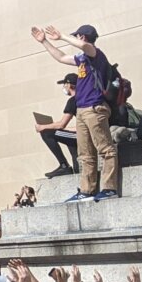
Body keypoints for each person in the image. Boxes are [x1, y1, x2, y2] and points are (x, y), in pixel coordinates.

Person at [29, 24, 120, 201]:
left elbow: (87, 47)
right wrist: (45, 42)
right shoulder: (82, 59)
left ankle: (110, 188)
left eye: (77, 37)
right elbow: (62, 57)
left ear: (82, 37)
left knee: (106, 149)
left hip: (95, 108)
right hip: (82, 109)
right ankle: (87, 190)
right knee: (84, 153)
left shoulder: (95, 54)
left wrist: (62, 36)